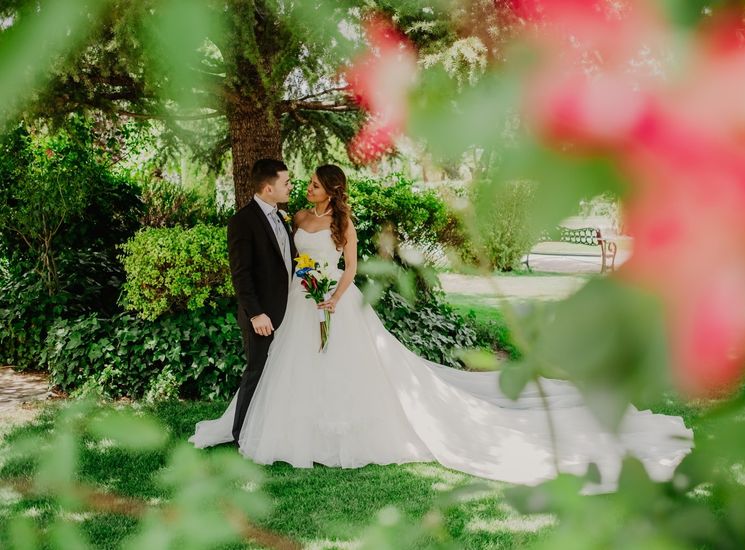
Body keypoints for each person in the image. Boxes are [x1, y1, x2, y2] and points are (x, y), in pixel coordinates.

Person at [191, 164, 692, 491]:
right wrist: (307, 290)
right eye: (302, 185)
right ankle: (280, 431)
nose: (305, 189)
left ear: (331, 190)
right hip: (299, 306)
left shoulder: (344, 223)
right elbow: (287, 260)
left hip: (332, 307)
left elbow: (348, 269)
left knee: (344, 372)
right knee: (293, 368)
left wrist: (333, 299)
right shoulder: (292, 215)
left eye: (314, 184)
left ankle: (334, 436)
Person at [225, 159, 296, 443]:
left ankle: (270, 431)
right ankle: (240, 434)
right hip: (262, 316)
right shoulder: (243, 221)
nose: (291, 187)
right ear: (268, 188)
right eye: (286, 183)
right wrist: (256, 314)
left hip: (288, 311)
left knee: (279, 374)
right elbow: (241, 274)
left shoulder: (281, 216)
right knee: (256, 371)